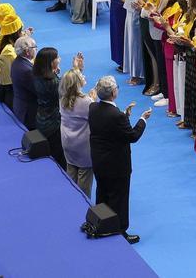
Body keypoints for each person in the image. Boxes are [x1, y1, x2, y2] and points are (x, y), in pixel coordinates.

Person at [88, 75, 150, 244]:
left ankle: (101, 222)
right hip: (117, 165)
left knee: (102, 193)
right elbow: (132, 136)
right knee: (119, 198)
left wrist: (125, 115)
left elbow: (110, 128)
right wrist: (143, 119)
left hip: (99, 161)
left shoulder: (93, 108)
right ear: (114, 93)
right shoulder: (117, 116)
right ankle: (120, 230)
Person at [59, 65, 95, 197]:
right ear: (77, 83)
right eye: (81, 76)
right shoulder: (86, 102)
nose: (84, 76)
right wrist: (93, 99)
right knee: (84, 180)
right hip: (83, 147)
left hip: (67, 143)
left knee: (71, 172)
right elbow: (94, 117)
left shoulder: (62, 98)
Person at [34, 47, 68, 168]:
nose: (59, 59)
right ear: (51, 62)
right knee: (59, 155)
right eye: (57, 58)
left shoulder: (37, 75)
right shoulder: (53, 83)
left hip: (40, 117)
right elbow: (66, 91)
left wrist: (55, 72)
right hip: (53, 123)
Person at [10, 34, 38, 129]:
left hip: (20, 104)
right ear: (27, 51)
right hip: (28, 111)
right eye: (34, 47)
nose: (36, 49)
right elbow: (38, 90)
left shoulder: (17, 61)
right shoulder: (27, 70)